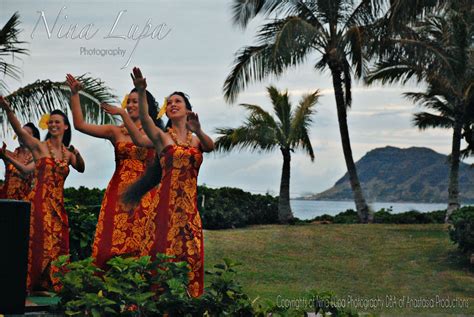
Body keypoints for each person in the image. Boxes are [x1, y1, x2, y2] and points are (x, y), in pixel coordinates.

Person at [127, 67, 214, 297]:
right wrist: (142, 91)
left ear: (188, 110)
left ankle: (187, 300)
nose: (173, 104)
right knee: (162, 253)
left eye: (178, 101)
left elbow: (210, 146)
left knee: (190, 253)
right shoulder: (162, 137)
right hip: (165, 207)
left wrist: (198, 129)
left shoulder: (196, 140)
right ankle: (159, 300)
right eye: (170, 102)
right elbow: (145, 119)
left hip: (188, 209)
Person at [65, 74, 164, 270]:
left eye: (136, 101)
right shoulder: (115, 131)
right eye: (129, 101)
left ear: (146, 105)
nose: (131, 105)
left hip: (146, 192)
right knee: (114, 237)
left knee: (142, 238)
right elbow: (80, 125)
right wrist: (75, 94)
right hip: (118, 192)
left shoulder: (155, 133)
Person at [0, 96, 85, 292]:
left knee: (57, 241)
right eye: (51, 122)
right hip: (39, 201)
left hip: (58, 203)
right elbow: (19, 130)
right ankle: (32, 283)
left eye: (57, 122)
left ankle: (50, 282)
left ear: (65, 127)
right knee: (40, 240)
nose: (53, 125)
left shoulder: (67, 153)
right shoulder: (40, 147)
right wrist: (8, 110)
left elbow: (80, 168)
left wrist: (78, 155)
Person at [0, 123, 40, 200]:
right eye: (20, 132)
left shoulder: (37, 157)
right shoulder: (9, 154)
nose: (21, 135)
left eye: (25, 133)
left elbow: (25, 171)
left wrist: (7, 157)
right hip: (4, 200)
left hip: (25, 203)